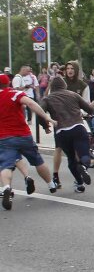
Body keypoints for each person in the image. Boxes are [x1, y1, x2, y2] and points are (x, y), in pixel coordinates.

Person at [0, 74, 55, 209]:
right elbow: (30, 103)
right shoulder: (15, 93)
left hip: (5, 137)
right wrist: (46, 117)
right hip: (23, 135)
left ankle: (6, 187)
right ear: (8, 83)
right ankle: (51, 184)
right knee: (37, 160)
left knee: (6, 165)